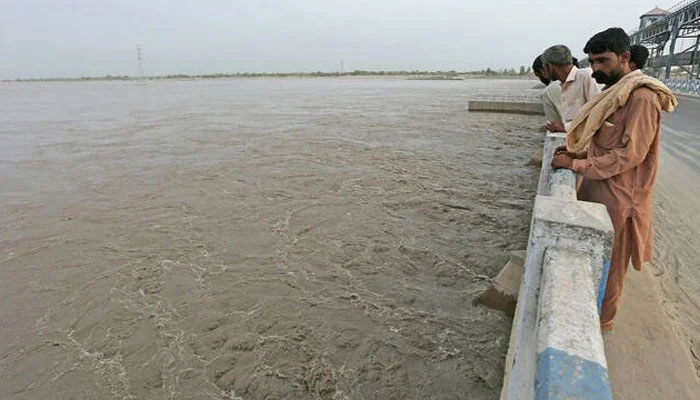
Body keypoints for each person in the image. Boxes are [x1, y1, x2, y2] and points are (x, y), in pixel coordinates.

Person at [551, 27, 677, 331]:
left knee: (609, 270)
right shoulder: (615, 93)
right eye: (592, 62)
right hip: (599, 194)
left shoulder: (642, 98)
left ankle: (599, 327)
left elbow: (629, 155)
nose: (595, 69)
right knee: (593, 263)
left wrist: (576, 166)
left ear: (624, 57)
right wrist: (576, 153)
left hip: (620, 202)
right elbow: (604, 143)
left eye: (602, 61)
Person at [542, 45, 600, 132]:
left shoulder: (585, 76)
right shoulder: (563, 84)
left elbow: (599, 113)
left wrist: (565, 127)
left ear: (549, 67)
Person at [532, 55, 563, 124]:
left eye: (538, 75)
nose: (540, 79)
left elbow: (553, 124)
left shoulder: (548, 91)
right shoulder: (580, 79)